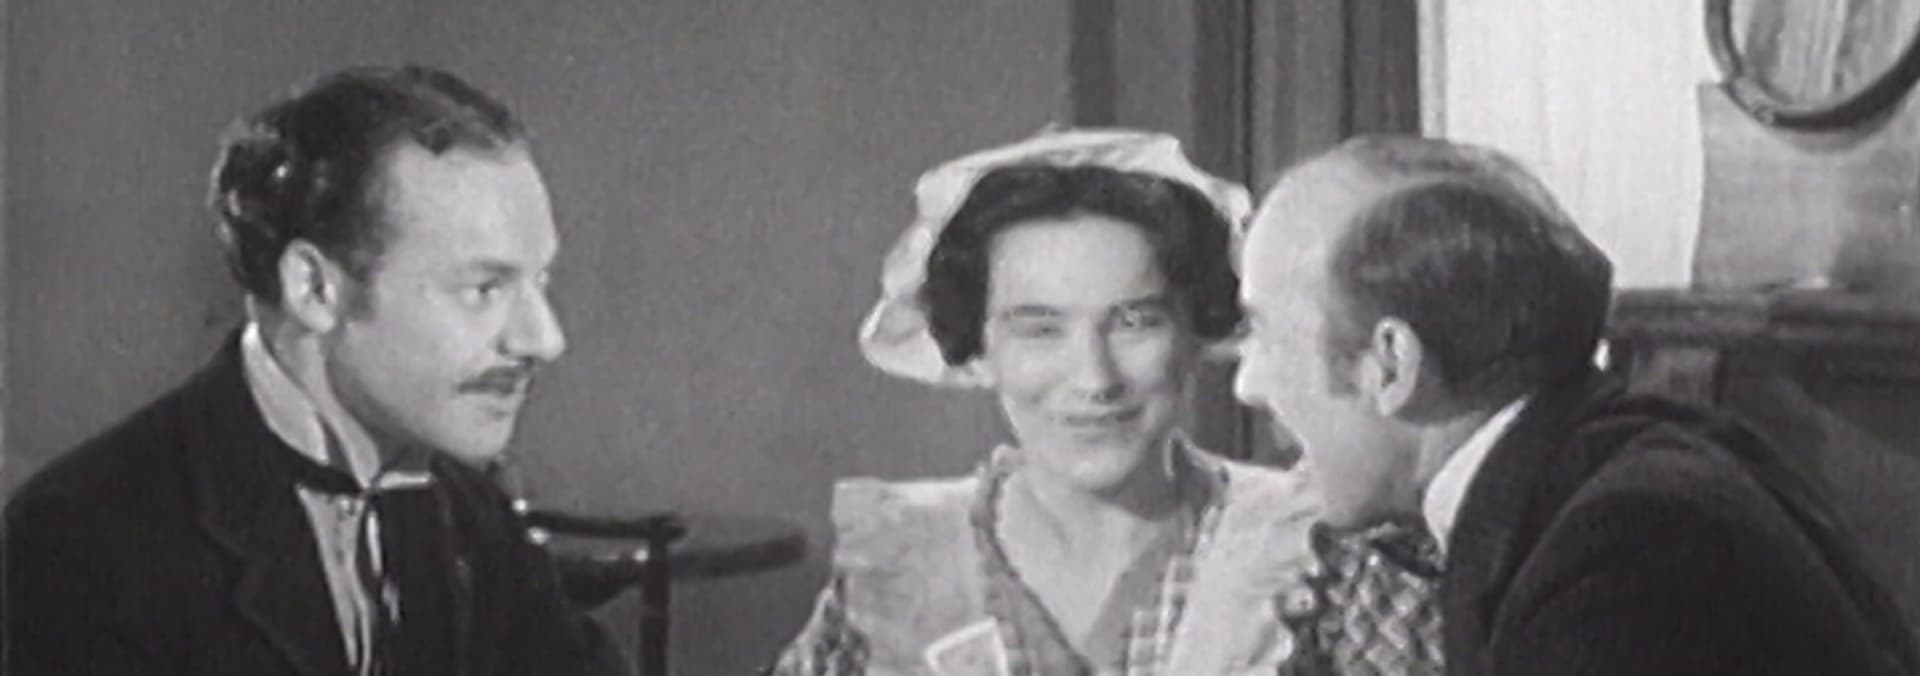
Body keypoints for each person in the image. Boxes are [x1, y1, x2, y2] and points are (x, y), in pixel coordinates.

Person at [3, 65, 627, 675]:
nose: (545, 340)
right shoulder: (84, 540)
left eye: (541, 281)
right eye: (483, 289)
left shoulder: (476, 524)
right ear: (315, 289)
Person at [1232, 134, 1920, 675]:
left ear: (1392, 364)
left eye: (1267, 336)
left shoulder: (1624, 559)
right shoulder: (1611, 472)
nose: (1247, 385)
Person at [771, 128, 1322, 675]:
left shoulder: (1303, 547)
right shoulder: (907, 564)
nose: (1094, 378)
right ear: (976, 350)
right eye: (1040, 330)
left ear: (1192, 333)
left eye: (1134, 322)